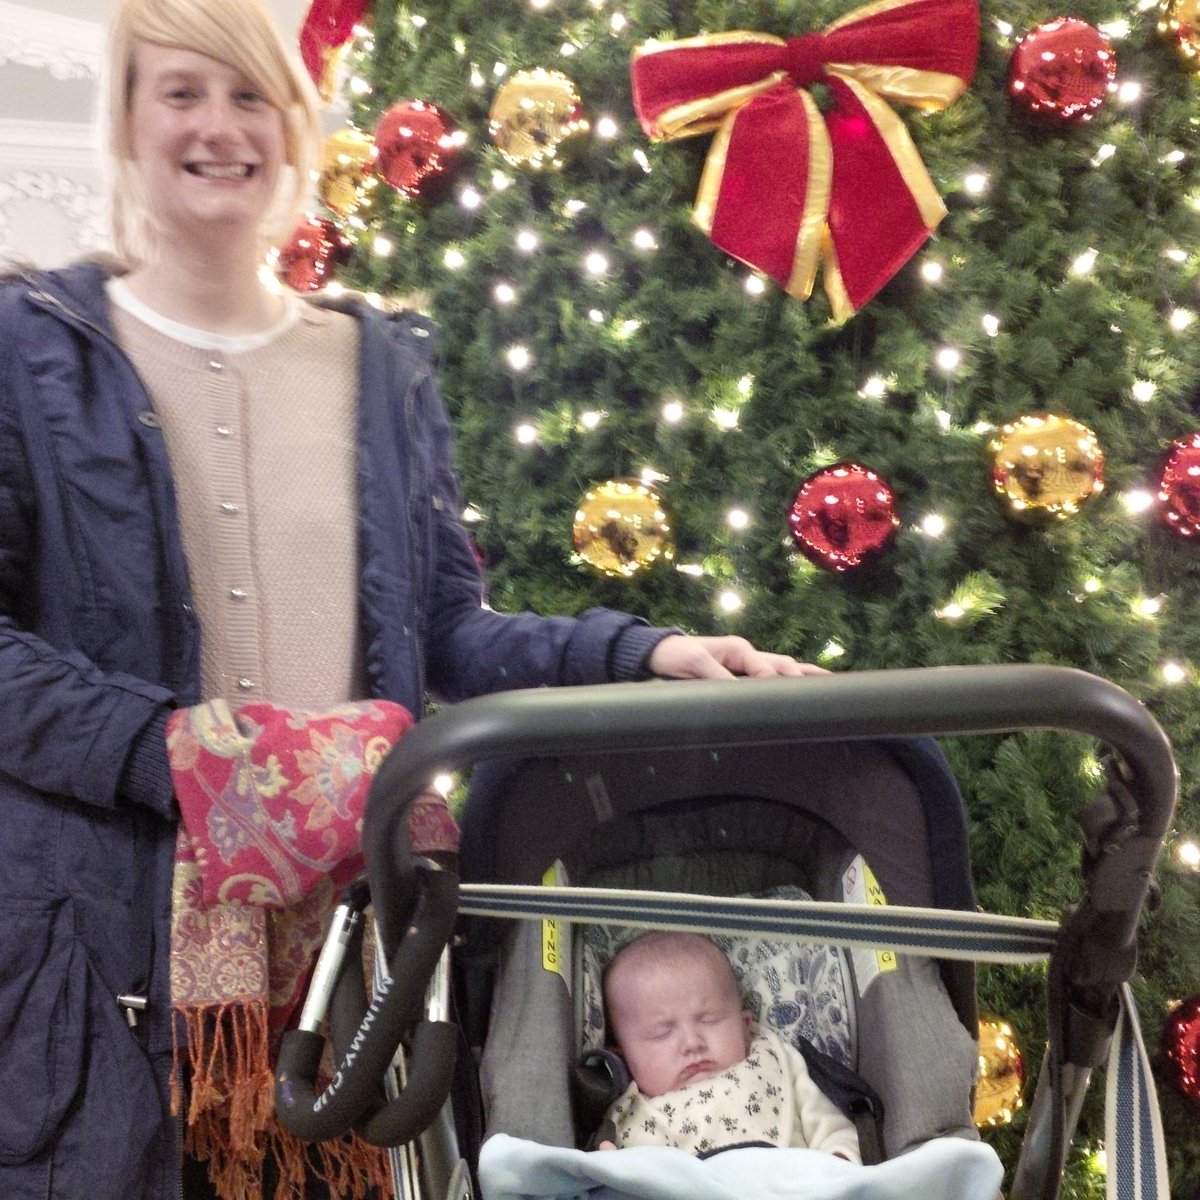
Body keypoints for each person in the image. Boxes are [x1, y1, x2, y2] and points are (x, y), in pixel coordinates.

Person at [0, 1, 824, 1198]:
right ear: (126, 120)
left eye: (249, 97)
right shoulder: (32, 348)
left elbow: (449, 629)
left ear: (293, 127)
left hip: (345, 955)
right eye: (180, 92)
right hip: (102, 956)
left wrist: (643, 655)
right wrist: (172, 754)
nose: (217, 127)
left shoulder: (380, 365)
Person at [598, 931, 861, 1160]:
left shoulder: (776, 1064)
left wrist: (839, 1159)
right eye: (662, 1033)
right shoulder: (627, 1117)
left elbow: (834, 1129)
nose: (692, 1043)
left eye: (709, 1019)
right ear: (621, 1055)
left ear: (744, 1025)